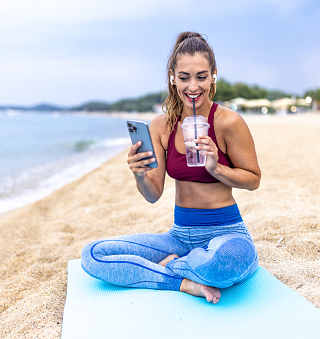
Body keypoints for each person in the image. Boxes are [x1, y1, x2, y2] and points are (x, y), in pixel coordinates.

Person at [81, 32, 261, 304]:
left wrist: (217, 169)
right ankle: (183, 280)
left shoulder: (228, 122)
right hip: (179, 236)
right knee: (94, 255)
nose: (193, 87)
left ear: (214, 75)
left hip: (226, 233)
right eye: (184, 77)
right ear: (172, 77)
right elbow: (153, 194)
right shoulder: (161, 126)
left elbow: (253, 179)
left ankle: (170, 267)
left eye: (201, 76)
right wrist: (139, 174)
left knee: (225, 263)